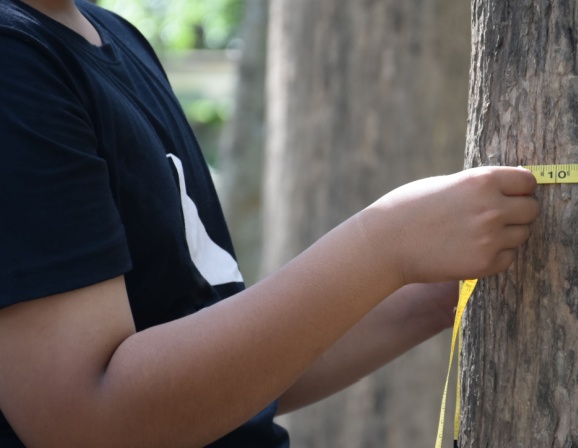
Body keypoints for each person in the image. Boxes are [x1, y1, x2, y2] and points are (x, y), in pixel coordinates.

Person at [0, 0, 540, 446]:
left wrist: (430, 293)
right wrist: (385, 241)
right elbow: (84, 420)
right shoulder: (14, 61)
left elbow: (224, 375)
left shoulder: (112, 36)